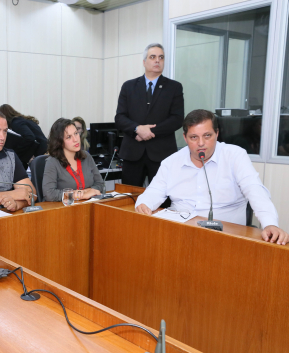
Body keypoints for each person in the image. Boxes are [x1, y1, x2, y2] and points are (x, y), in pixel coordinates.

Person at [135, 109, 289, 245]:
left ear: (217, 133)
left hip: (227, 237)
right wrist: (144, 204)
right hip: (180, 234)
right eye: (194, 137)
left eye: (207, 135)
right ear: (185, 137)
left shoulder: (234, 155)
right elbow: (154, 191)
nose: (201, 143)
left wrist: (270, 224)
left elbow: (255, 191)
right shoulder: (171, 162)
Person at [115, 43, 184, 187]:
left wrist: (149, 131)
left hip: (162, 155)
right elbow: (120, 118)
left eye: (161, 57)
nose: (157, 60)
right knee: (129, 199)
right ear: (144, 62)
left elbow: (177, 119)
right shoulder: (128, 86)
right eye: (152, 57)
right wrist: (137, 129)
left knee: (162, 201)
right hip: (133, 152)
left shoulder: (174, 87)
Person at [42, 118, 102, 202]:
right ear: (59, 142)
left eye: (76, 133)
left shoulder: (86, 156)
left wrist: (89, 191)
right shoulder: (52, 162)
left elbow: (100, 184)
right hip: (64, 210)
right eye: (69, 137)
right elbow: (49, 194)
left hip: (88, 206)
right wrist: (75, 195)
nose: (75, 139)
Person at [0, 104, 48, 169]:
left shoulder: (16, 122)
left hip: (40, 155)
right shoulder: (24, 120)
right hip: (44, 153)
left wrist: (16, 151)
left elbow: (30, 137)